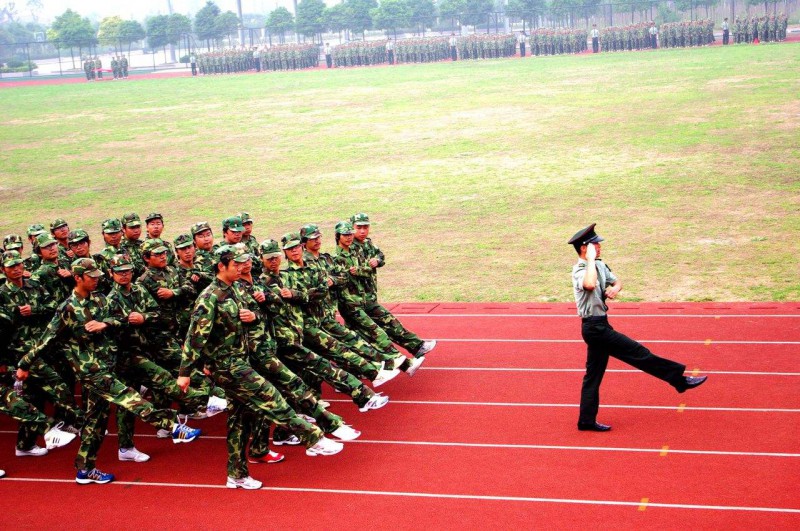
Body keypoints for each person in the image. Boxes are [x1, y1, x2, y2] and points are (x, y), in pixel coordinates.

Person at [16, 258, 202, 485]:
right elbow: (46, 339)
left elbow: (119, 319)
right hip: (90, 370)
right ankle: (172, 425)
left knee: (95, 423)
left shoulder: (101, 299)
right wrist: (24, 364)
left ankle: (85, 470)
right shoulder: (68, 308)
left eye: (97, 277)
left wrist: (107, 324)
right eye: (91, 277)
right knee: (129, 396)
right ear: (77, 278)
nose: (96, 280)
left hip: (109, 364)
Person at [178, 245, 344, 490]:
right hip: (228, 366)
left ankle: (236, 474)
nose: (240, 269)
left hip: (241, 360)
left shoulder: (234, 290)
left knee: (240, 420)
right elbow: (195, 338)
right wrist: (185, 373)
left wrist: (251, 318)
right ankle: (313, 437)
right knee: (271, 395)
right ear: (221, 267)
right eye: (235, 265)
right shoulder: (210, 297)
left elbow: (246, 320)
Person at [568, 223, 708, 432]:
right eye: (595, 245)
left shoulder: (599, 265)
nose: (599, 247)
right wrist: (588, 259)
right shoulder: (581, 270)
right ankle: (679, 380)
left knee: (593, 375)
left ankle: (586, 421)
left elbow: (617, 281)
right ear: (584, 248)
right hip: (594, 328)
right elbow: (589, 284)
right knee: (638, 353)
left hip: (601, 324)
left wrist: (614, 288)